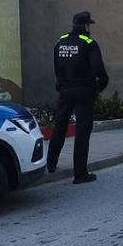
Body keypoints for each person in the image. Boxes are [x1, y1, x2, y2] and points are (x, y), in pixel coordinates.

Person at [46, 11, 109, 184]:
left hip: (65, 90)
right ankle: (80, 174)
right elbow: (99, 70)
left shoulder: (61, 41)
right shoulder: (89, 43)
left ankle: (50, 164)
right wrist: (100, 87)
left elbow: (56, 66)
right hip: (84, 91)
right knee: (82, 130)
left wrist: (61, 84)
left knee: (60, 126)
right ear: (87, 26)